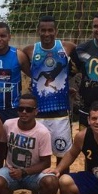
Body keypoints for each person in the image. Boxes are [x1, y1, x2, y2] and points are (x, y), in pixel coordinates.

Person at [0, 93, 59, 194]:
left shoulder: (43, 132)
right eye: (21, 109)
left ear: (36, 112)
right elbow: (1, 149)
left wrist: (24, 172)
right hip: (11, 170)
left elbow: (46, 162)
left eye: (29, 109)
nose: (24, 112)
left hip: (34, 173)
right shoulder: (8, 125)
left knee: (52, 182)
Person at [22, 15, 76, 159]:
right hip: (38, 113)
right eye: (43, 30)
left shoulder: (67, 47)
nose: (47, 33)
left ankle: (60, 181)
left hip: (60, 113)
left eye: (50, 30)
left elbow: (85, 59)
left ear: (56, 31)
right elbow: (26, 69)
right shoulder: (29, 50)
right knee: (36, 157)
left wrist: (69, 84)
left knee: (63, 156)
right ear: (38, 31)